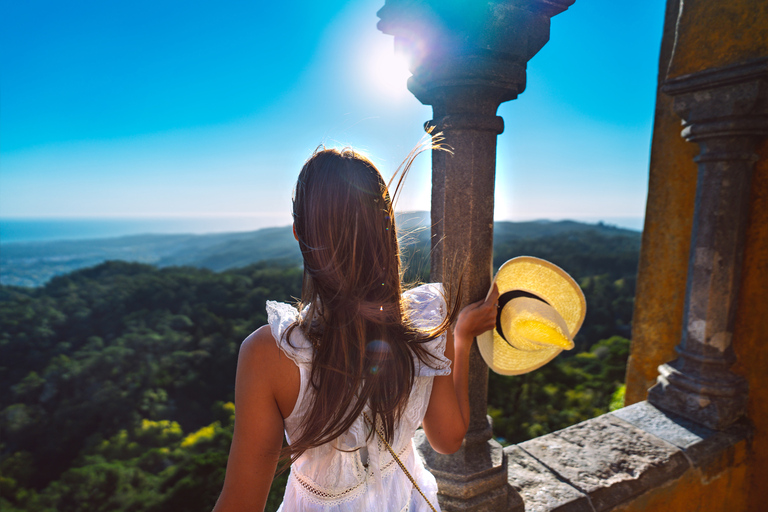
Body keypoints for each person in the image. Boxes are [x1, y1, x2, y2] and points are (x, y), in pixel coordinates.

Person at [212, 146, 499, 511]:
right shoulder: (425, 324)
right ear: (386, 229)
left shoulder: (269, 355)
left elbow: (240, 504)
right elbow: (447, 439)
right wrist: (461, 338)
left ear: (299, 233)